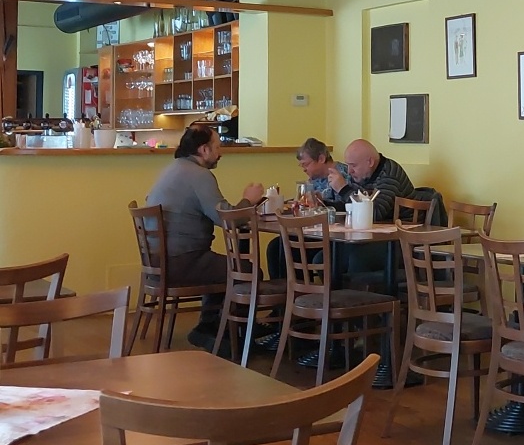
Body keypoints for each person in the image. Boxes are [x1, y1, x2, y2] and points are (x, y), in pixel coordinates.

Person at [146, 125, 263, 350]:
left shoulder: (173, 169)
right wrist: (249, 200)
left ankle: (210, 327)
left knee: (221, 266)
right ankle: (234, 337)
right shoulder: (199, 175)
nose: (221, 153)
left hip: (160, 260)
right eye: (217, 147)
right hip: (182, 261)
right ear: (203, 150)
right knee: (247, 271)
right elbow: (226, 219)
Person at [266, 138, 354, 280]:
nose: (304, 169)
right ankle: (286, 290)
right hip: (314, 232)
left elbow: (347, 207)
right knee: (276, 247)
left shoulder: (343, 175)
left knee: (289, 247)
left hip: (335, 236)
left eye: (306, 164)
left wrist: (320, 204)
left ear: (321, 159)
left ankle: (301, 289)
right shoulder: (313, 179)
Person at [332, 139, 415, 285]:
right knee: (324, 257)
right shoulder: (362, 175)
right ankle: (336, 297)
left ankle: (361, 298)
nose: (349, 171)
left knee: (357, 258)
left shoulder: (389, 174)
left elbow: (374, 213)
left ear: (370, 162)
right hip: (372, 236)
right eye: (348, 165)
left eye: (353, 165)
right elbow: (349, 206)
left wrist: (343, 189)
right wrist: (326, 204)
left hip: (398, 240)